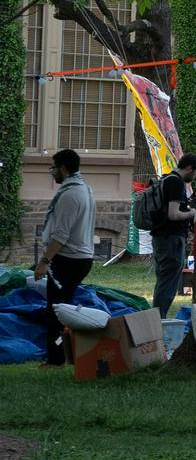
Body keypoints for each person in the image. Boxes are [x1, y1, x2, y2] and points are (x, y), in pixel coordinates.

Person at [34, 148, 96, 366]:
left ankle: (56, 359)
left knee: (56, 312)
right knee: (64, 308)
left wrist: (44, 262)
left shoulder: (70, 195)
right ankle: (68, 355)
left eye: (53, 168)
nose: (52, 173)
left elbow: (61, 234)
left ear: (63, 168)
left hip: (68, 259)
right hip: (81, 257)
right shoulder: (85, 189)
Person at [149, 153, 196, 314]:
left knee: (164, 280)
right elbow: (174, 214)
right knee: (169, 283)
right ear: (189, 168)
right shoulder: (176, 183)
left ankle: (157, 317)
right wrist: (192, 213)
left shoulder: (166, 179)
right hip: (171, 239)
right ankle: (159, 318)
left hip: (161, 237)